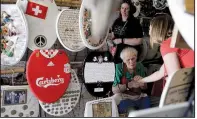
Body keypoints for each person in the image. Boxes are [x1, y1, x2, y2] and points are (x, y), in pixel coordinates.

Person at [135, 14, 194, 93]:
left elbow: (176, 77)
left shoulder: (166, 45)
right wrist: (142, 80)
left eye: (150, 29)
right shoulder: (174, 40)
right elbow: (160, 73)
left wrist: (168, 79)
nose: (149, 33)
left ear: (157, 30)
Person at [112, 47, 150, 115]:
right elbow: (114, 90)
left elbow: (145, 88)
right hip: (124, 97)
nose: (131, 62)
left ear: (136, 57)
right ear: (123, 60)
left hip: (139, 96)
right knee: (132, 113)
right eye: (128, 60)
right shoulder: (118, 67)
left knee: (146, 113)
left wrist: (142, 83)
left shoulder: (140, 65)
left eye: (133, 59)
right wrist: (129, 85)